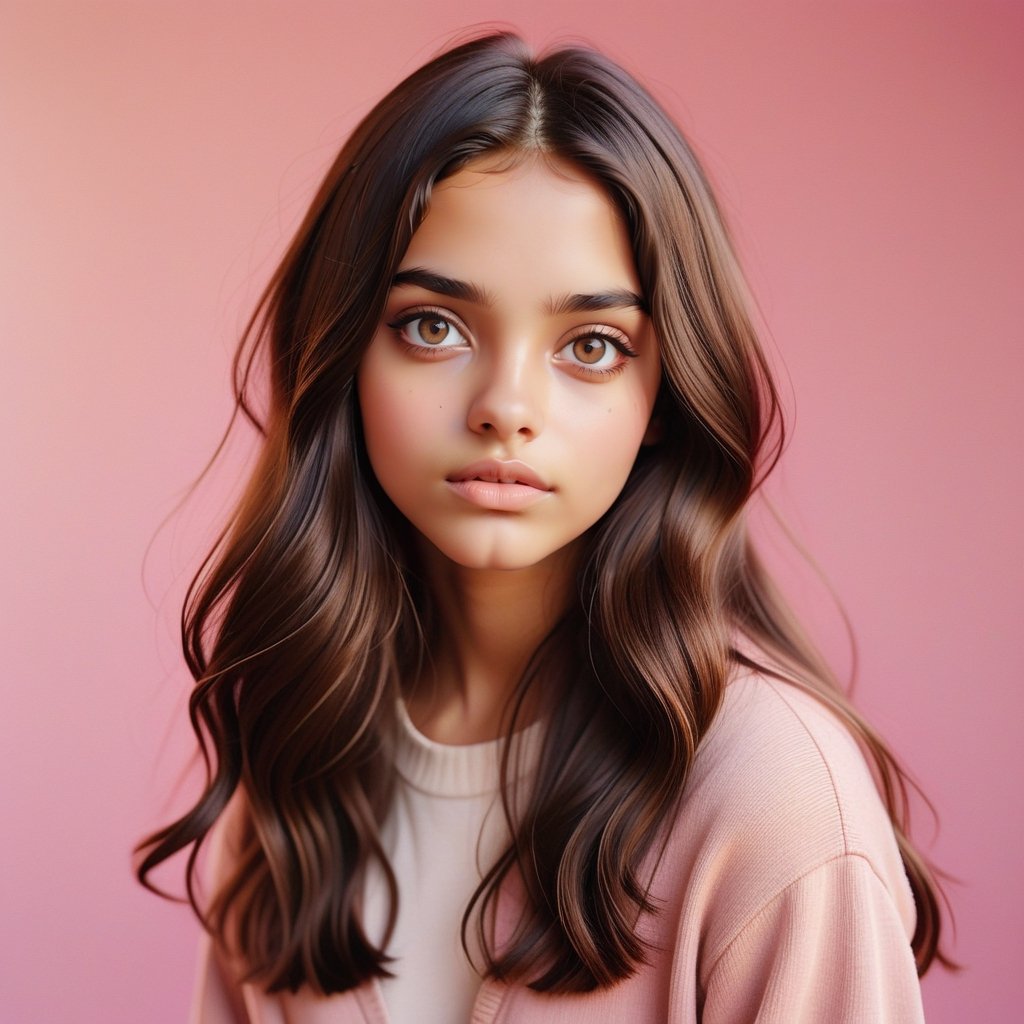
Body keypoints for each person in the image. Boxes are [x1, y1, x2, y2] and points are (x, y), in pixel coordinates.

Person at [137, 31, 951, 1023]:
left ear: (664, 396)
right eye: (432, 324)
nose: (506, 405)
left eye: (593, 345)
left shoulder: (770, 797)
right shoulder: (296, 764)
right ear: (344, 352)